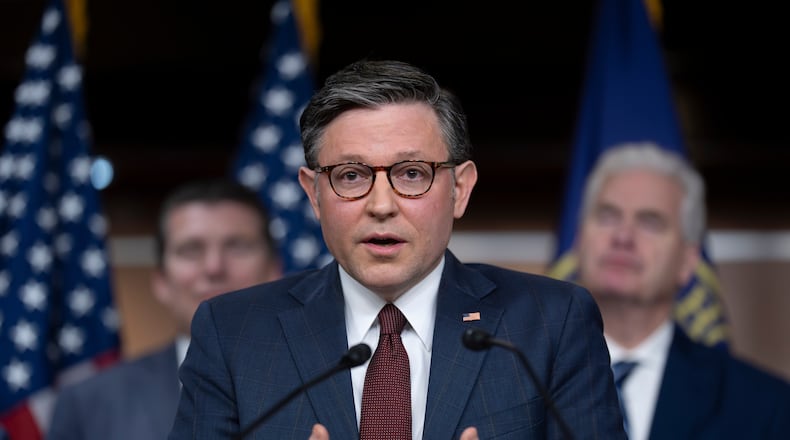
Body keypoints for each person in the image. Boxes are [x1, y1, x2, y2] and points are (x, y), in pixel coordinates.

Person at [168, 59, 626, 440]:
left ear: (460, 189)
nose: (381, 206)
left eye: (411, 174)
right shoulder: (233, 334)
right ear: (313, 194)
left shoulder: (550, 324)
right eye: (351, 176)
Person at [574, 142, 790, 440]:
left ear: (688, 260)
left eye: (650, 222)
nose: (623, 236)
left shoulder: (765, 405)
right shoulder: (517, 378)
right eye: (608, 215)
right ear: (579, 240)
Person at [47, 179, 282, 440]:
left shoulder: (328, 380)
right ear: (160, 279)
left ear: (275, 270)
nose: (214, 267)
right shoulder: (88, 403)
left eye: (237, 246)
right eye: (191, 250)